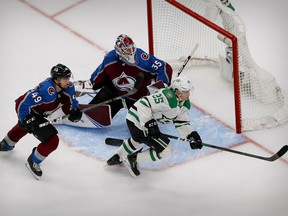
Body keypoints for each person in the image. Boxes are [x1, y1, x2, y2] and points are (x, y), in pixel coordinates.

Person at [106, 76, 203, 177]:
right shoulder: (167, 97)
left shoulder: (184, 103)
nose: (188, 94)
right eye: (185, 91)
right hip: (138, 121)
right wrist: (149, 122)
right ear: (177, 90)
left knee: (138, 140)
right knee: (166, 150)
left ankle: (118, 156)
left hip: (136, 120)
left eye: (188, 91)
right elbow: (144, 103)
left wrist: (189, 136)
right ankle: (134, 158)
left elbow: (181, 121)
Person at [0, 64, 82, 180]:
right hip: (29, 111)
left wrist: (74, 110)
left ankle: (7, 143)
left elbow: (72, 101)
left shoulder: (69, 88)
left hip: (40, 114)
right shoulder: (47, 91)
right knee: (52, 141)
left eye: (68, 78)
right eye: (65, 79)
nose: (68, 81)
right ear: (56, 80)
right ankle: (33, 160)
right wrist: (25, 118)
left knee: (25, 127)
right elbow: (23, 103)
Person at [89, 34, 173, 118]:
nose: (131, 52)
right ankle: (92, 114)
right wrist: (94, 83)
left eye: (132, 48)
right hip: (116, 95)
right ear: (119, 51)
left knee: (143, 123)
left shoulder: (142, 59)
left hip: (139, 100)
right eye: (127, 50)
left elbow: (164, 67)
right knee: (94, 113)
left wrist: (162, 86)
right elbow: (99, 75)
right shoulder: (110, 59)